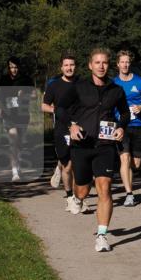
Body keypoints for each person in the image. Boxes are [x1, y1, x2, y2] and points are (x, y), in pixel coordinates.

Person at [57, 48, 130, 252]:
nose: (101, 66)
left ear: (109, 65)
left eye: (104, 62)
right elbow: (60, 108)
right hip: (82, 145)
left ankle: (102, 235)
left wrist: (122, 127)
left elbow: (125, 113)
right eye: (97, 62)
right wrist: (71, 125)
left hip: (105, 147)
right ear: (90, 65)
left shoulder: (116, 90)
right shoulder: (78, 88)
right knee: (82, 188)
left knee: (104, 188)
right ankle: (77, 198)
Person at [113, 50, 141, 207]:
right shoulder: (113, 83)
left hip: (138, 125)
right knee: (125, 158)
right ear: (117, 64)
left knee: (135, 163)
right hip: (121, 126)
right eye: (122, 62)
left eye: (127, 62)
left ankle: (127, 175)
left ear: (130, 64)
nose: (125, 64)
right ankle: (129, 194)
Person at [41, 54, 79, 207]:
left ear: (75, 66)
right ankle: (70, 196)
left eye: (72, 65)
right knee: (68, 165)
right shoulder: (54, 85)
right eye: (66, 65)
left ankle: (77, 198)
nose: (69, 68)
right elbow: (43, 105)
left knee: (77, 164)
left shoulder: (82, 83)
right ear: (61, 67)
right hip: (62, 128)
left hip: (79, 127)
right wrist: (54, 110)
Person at [0, 56, 34, 181]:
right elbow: (0, 96)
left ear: (20, 67)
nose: (14, 70)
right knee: (13, 140)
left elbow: (34, 95)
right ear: (8, 67)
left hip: (22, 115)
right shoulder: (4, 80)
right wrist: (0, 108)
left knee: (19, 143)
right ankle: (14, 173)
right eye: (11, 67)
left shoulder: (26, 80)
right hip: (9, 115)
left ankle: (18, 166)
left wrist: (25, 94)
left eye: (16, 67)